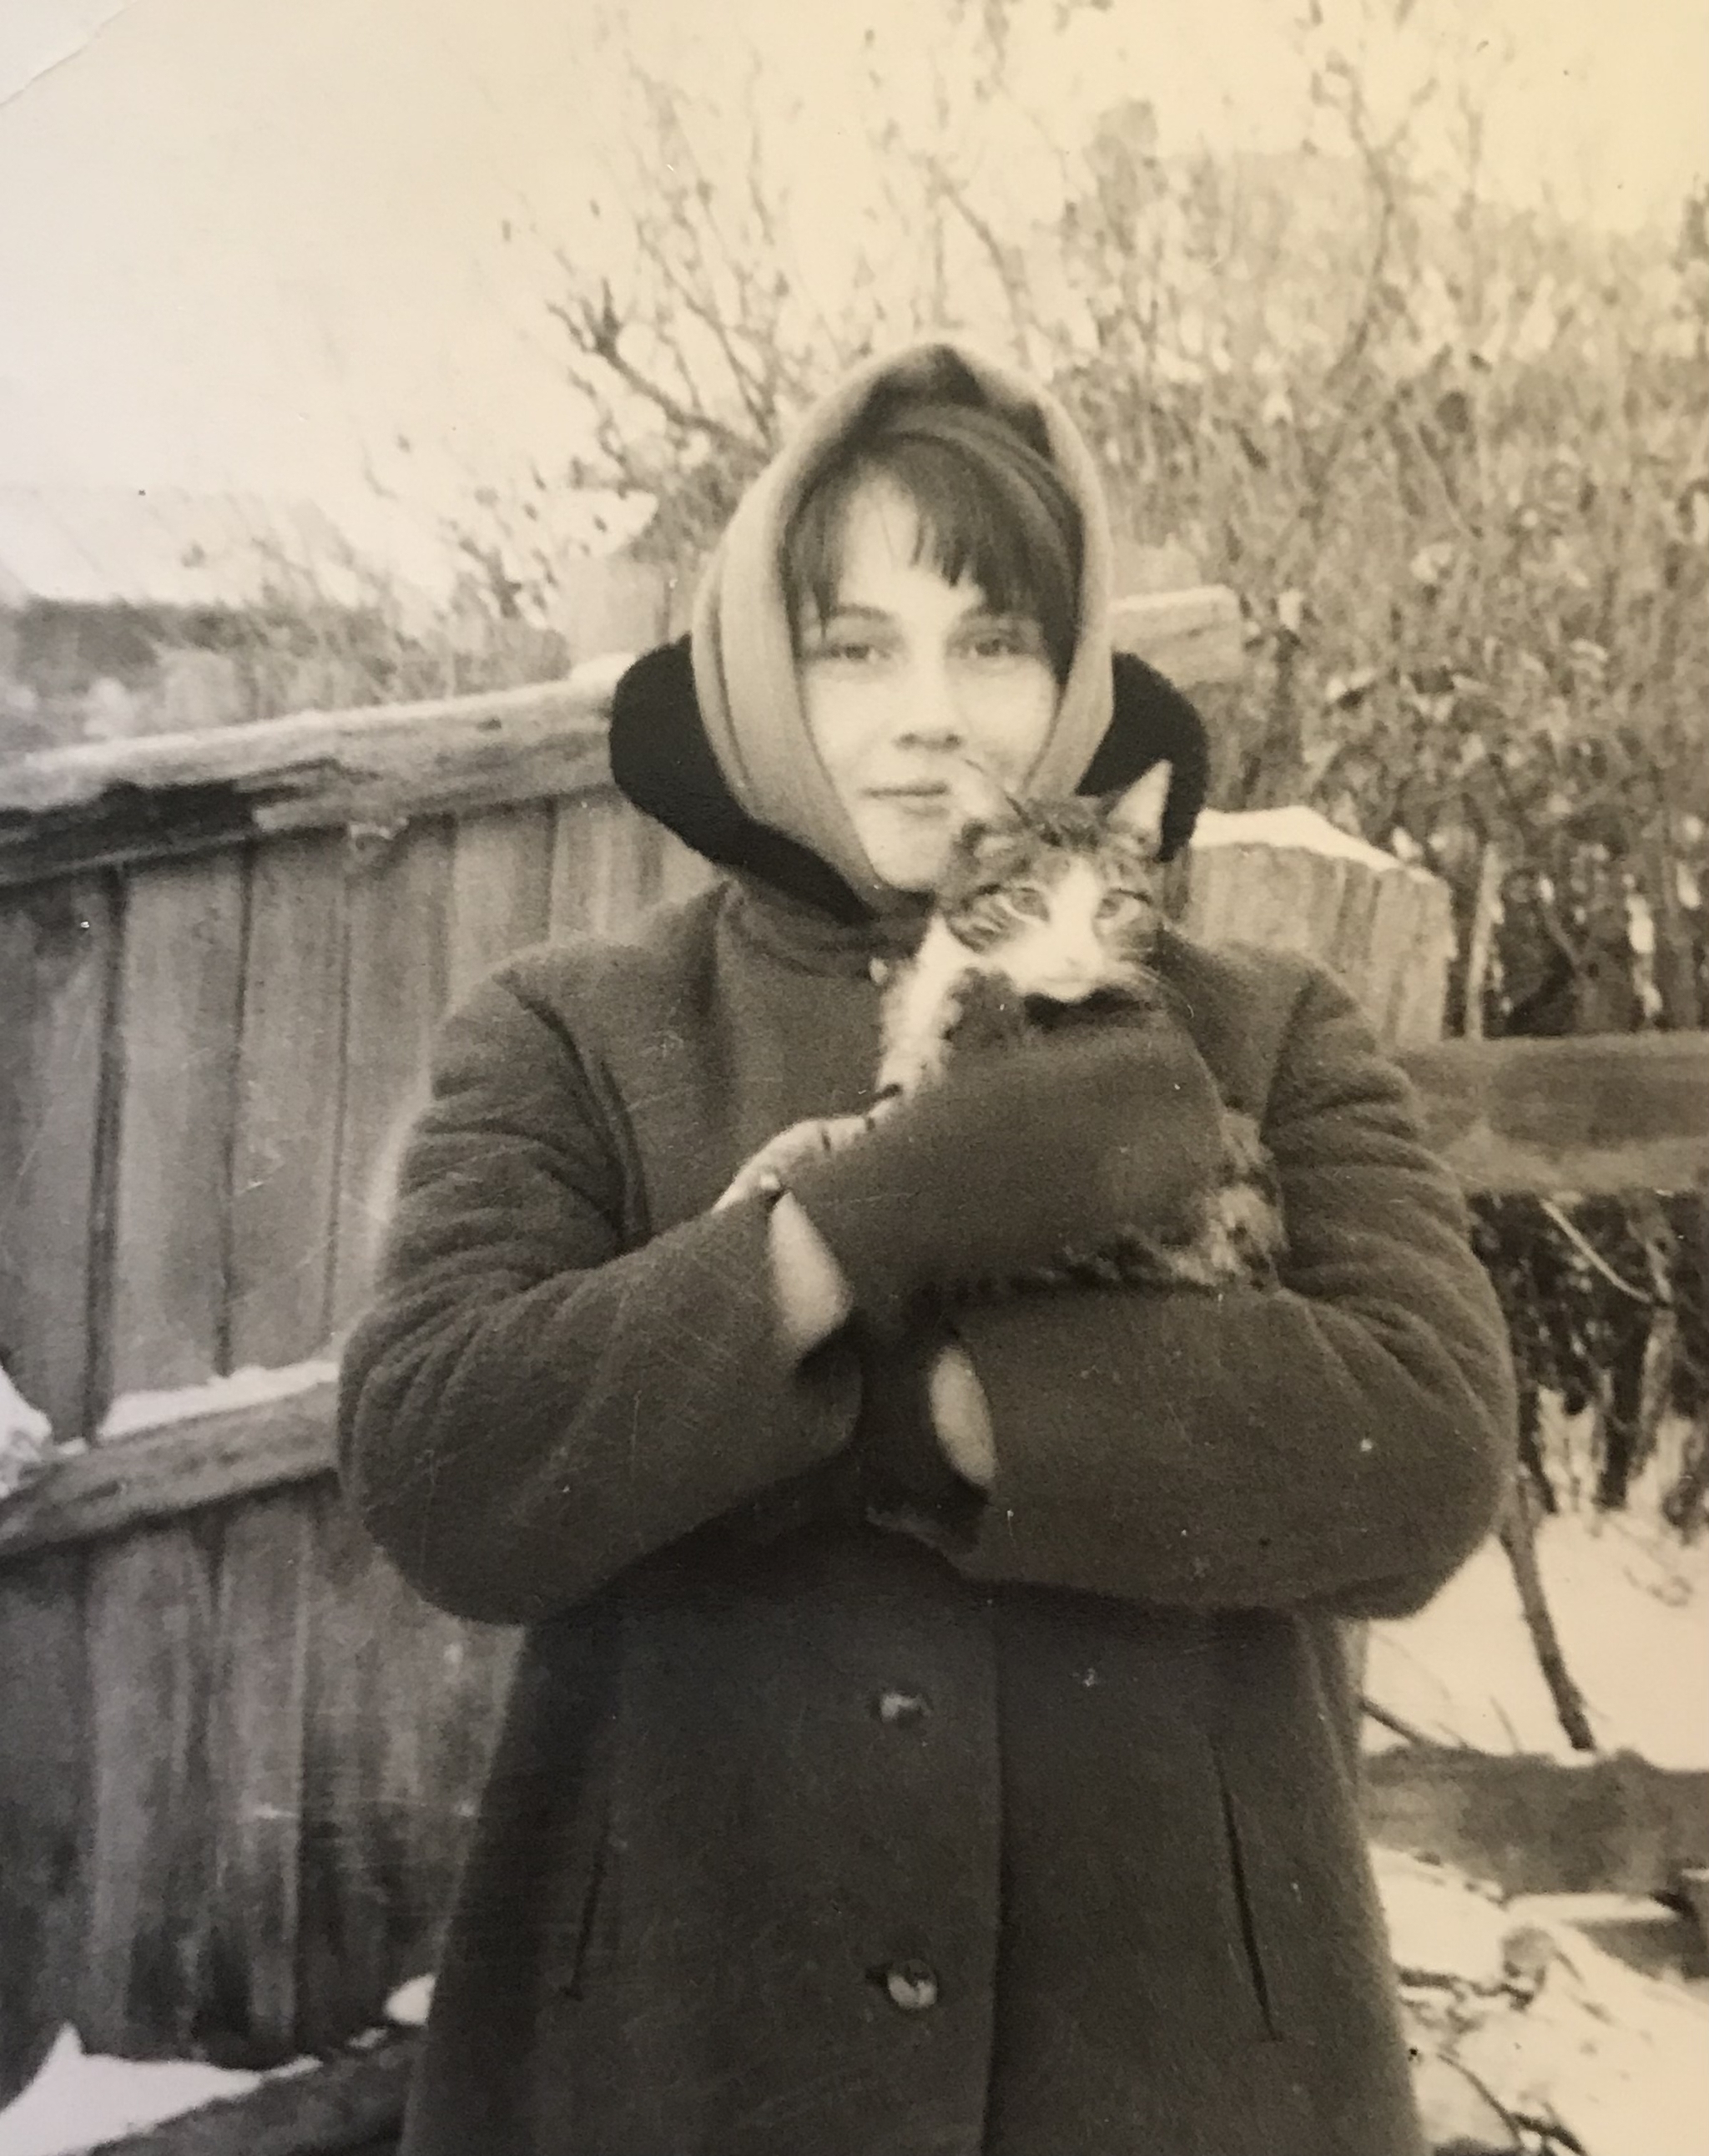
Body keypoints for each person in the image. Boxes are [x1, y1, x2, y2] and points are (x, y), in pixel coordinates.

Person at [338, 341, 1516, 2156]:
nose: (927, 711)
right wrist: (882, 1211)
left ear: (1074, 668)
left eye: (990, 640)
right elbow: (446, 1461)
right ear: (751, 664)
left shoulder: (1273, 1025)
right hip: (678, 2058)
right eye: (851, 643)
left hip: (1172, 2063)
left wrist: (922, 1403)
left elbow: (1421, 1448)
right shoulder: (570, 1028)